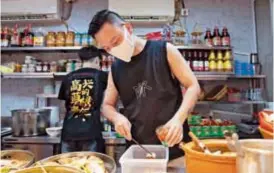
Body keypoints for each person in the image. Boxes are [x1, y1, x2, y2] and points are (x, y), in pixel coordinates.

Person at [88, 10, 200, 160]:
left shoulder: (164, 51)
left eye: (115, 42)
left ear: (128, 28)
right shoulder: (116, 68)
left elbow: (193, 86)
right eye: (107, 48)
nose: (113, 50)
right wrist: (117, 118)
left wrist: (178, 120)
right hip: (138, 150)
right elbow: (107, 105)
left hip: (174, 147)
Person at [58, 46, 108, 153]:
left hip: (68, 132)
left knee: (67, 167)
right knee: (90, 167)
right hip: (90, 133)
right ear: (97, 60)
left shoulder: (68, 77)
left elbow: (64, 106)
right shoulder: (102, 76)